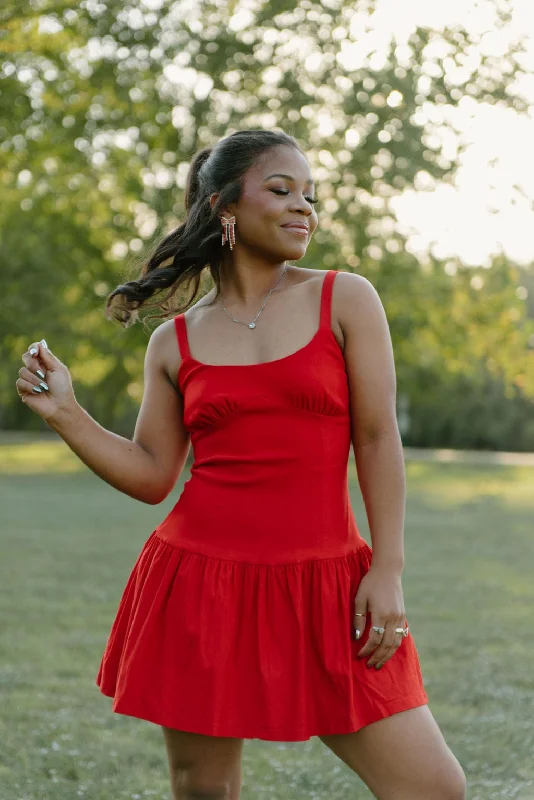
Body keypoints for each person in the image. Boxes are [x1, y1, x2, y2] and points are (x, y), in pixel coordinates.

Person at [16, 129, 466, 799]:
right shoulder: (175, 341)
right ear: (224, 209)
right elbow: (152, 475)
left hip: (329, 586)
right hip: (200, 585)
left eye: (310, 197)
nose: (303, 208)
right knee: (204, 790)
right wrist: (66, 415)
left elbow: (376, 439)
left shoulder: (346, 299)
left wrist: (387, 568)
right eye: (281, 190)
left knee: (433, 788)